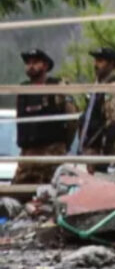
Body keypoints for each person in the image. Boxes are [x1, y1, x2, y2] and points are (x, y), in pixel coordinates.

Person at [14, 49, 77, 185]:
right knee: (16, 191)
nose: (31, 66)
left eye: (35, 62)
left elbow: (72, 119)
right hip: (28, 155)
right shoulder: (23, 90)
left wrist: (63, 145)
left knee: (50, 191)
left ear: (45, 66)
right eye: (28, 63)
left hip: (51, 152)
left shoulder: (57, 87)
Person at [76, 47, 115, 170]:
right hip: (91, 147)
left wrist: (105, 156)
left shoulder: (113, 87)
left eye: (100, 61)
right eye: (95, 60)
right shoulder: (99, 85)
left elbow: (112, 123)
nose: (96, 64)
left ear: (111, 64)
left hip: (105, 149)